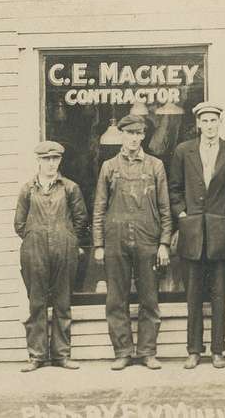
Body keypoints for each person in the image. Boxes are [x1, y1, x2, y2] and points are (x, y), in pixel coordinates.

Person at [169, 102, 225, 370]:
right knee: (193, 294)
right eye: (205, 120)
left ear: (219, 122)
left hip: (220, 233)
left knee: (218, 294)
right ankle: (193, 350)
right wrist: (181, 215)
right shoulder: (183, 151)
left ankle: (217, 350)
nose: (210, 125)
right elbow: (175, 189)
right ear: (198, 124)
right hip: (191, 232)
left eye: (214, 120)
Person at [93, 114, 172, 371]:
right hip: (115, 240)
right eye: (129, 134)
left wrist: (164, 243)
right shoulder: (109, 167)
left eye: (139, 134)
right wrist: (99, 244)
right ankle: (123, 351)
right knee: (117, 299)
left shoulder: (155, 166)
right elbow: (99, 208)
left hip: (147, 238)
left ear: (143, 137)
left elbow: (165, 208)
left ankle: (148, 351)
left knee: (150, 298)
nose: (134, 139)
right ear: (122, 136)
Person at [14, 141, 88, 372]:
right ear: (38, 161)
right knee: (36, 304)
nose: (51, 163)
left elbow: (80, 219)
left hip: (64, 251)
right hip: (34, 253)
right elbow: (19, 224)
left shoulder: (70, 188)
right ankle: (36, 356)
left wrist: (67, 239)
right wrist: (35, 237)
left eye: (55, 159)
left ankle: (61, 355)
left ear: (60, 161)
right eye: (46, 159)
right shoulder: (28, 189)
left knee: (62, 303)